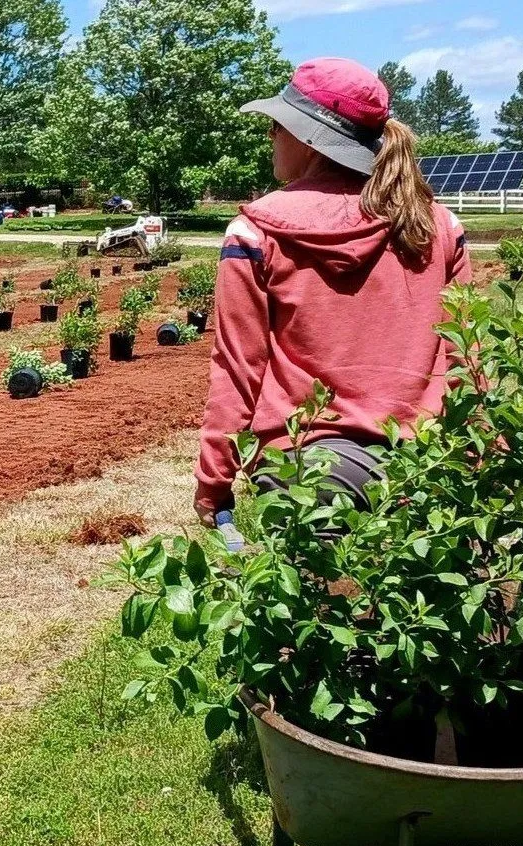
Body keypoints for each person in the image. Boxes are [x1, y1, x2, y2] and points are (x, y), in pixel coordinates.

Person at [194, 57, 473, 527]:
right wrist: (481, 455)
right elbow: (466, 352)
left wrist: (214, 483)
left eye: (277, 125)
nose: (270, 136)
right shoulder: (437, 225)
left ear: (308, 139)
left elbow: (238, 367)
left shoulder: (256, 232)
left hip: (307, 472)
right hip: (425, 464)